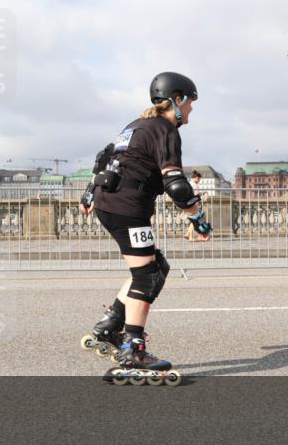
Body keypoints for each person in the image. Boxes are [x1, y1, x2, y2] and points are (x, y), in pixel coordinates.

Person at [78, 71, 210, 384]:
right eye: (190, 103)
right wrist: (198, 217)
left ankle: (110, 326)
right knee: (147, 275)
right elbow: (176, 185)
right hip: (127, 207)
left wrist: (87, 192)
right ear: (177, 100)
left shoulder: (135, 125)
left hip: (109, 202)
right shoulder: (165, 128)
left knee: (154, 266)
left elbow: (106, 159)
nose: (192, 110)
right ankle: (133, 349)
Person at [185, 170, 206, 241]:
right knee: (195, 221)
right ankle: (190, 237)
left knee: (192, 220)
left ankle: (188, 234)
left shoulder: (188, 183)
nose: (200, 181)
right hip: (193, 205)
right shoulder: (195, 185)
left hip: (187, 204)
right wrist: (202, 197)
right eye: (200, 179)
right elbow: (196, 196)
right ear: (197, 177)